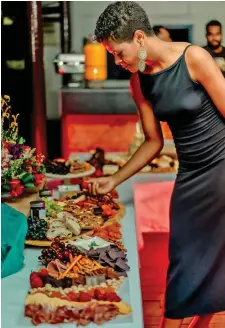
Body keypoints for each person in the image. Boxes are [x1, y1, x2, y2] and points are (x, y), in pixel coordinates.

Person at [88, 1, 225, 328]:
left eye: (119, 53)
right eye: (112, 56)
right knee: (184, 259)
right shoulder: (139, 81)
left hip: (222, 171)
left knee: (210, 262)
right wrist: (115, 179)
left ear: (138, 37)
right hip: (190, 175)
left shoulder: (195, 58)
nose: (118, 62)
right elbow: (153, 141)